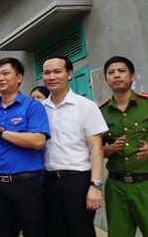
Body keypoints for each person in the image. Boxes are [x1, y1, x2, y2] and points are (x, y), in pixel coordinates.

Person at [0, 57, 50, 237]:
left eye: (5, 73)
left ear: (19, 78)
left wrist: (0, 131)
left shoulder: (33, 107)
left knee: (35, 232)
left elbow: (38, 141)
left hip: (26, 184)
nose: (0, 78)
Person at [40, 55, 107, 237]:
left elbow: (97, 150)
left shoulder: (86, 106)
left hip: (77, 181)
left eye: (57, 71)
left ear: (69, 74)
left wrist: (95, 186)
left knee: (81, 231)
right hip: (48, 181)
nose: (51, 77)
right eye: (47, 73)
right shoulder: (39, 109)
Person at [99, 56, 148, 237]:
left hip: (145, 184)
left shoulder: (146, 105)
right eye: (111, 73)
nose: (116, 76)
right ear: (106, 80)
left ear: (132, 76)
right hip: (116, 186)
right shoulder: (100, 112)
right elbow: (94, 151)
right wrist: (109, 150)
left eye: (122, 71)